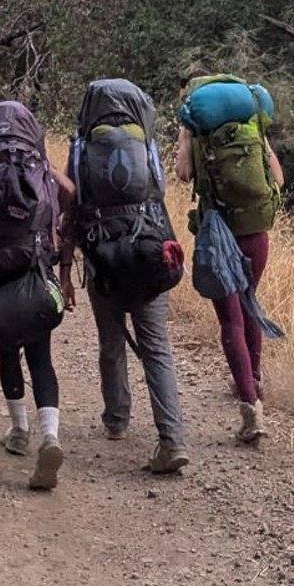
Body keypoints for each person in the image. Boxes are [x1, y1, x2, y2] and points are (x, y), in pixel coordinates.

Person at [67, 79, 190, 474]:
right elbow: (160, 194)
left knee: (111, 341)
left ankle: (117, 419)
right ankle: (171, 440)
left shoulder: (83, 146)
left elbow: (74, 202)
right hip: (147, 251)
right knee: (156, 347)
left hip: (102, 255)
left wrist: (65, 263)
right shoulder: (146, 144)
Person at [0, 101, 77, 490]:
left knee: (8, 347)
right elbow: (70, 191)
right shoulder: (36, 161)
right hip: (35, 261)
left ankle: (18, 430)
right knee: (40, 353)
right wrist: (54, 223)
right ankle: (51, 436)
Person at [174, 70, 285, 443]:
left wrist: (186, 139)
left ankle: (251, 409)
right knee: (250, 303)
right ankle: (255, 379)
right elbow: (279, 180)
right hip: (257, 230)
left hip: (219, 231)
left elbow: (183, 173)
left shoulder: (195, 128)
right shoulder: (252, 124)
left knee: (230, 319)